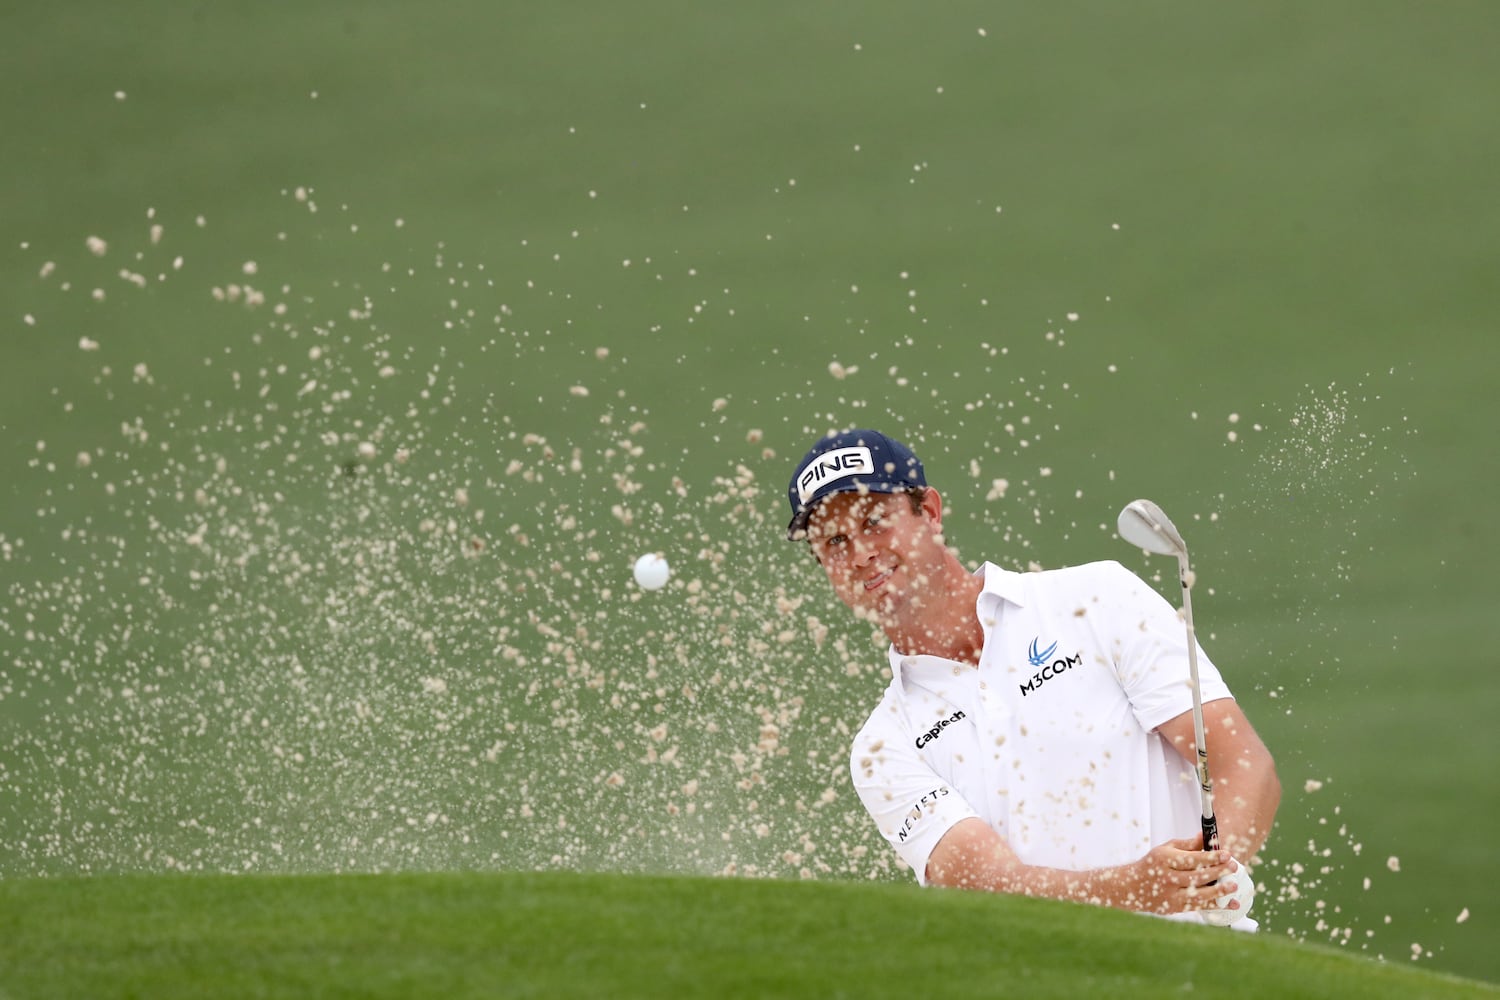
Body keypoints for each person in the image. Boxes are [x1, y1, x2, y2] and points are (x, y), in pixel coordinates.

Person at [786, 428, 1281, 925]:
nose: (861, 554)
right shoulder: (882, 748)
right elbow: (987, 885)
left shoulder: (1096, 598)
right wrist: (1136, 889)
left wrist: (1218, 867)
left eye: (874, 522)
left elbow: (1239, 760)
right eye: (834, 541)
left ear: (930, 513)